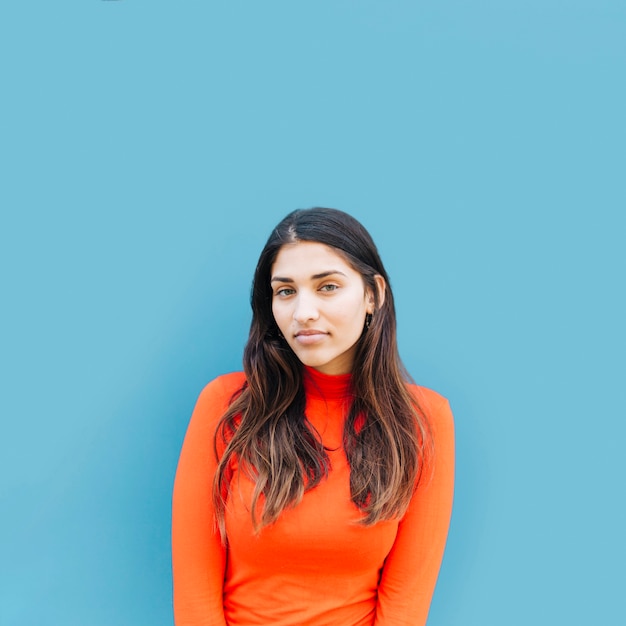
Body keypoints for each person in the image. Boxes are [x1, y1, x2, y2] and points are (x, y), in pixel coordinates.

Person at [171, 207, 455, 626]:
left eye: (327, 287)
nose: (303, 312)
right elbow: (195, 596)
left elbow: (405, 605)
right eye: (285, 291)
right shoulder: (226, 405)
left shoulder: (424, 420)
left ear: (373, 294)